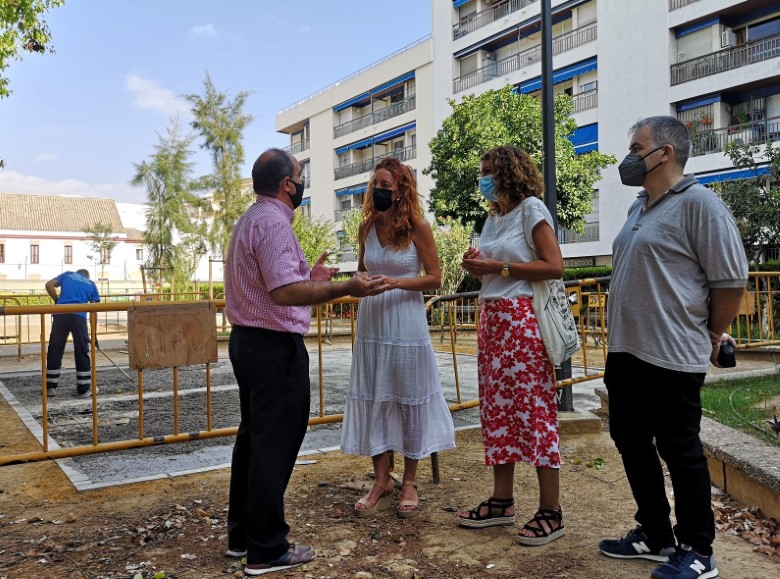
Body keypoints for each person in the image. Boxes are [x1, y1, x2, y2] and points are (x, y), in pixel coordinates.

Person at [598, 116, 748, 579]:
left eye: (636, 146)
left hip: (672, 352)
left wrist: (712, 333)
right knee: (629, 438)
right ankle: (656, 534)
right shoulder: (639, 207)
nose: (629, 155)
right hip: (627, 350)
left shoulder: (699, 203)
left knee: (679, 448)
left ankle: (699, 549)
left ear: (664, 152)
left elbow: (730, 279)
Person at [224, 148, 383, 576]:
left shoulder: (251, 220)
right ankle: (266, 549)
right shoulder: (273, 224)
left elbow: (277, 284)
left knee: (255, 441)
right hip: (273, 346)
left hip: (250, 343)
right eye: (299, 174)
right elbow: (282, 294)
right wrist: (346, 288)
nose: (302, 180)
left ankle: (242, 537)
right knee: (272, 446)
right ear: (286, 185)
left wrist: (311, 280)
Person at [458, 146, 565, 546]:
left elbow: (554, 265)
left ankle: (551, 511)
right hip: (492, 322)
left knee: (534, 410)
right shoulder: (494, 216)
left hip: (521, 322)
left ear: (509, 173)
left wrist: (498, 267)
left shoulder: (531, 209)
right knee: (498, 411)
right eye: (482, 170)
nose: (483, 177)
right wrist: (477, 263)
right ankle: (502, 501)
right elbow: (493, 265)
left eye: (489, 170)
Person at [340, 157, 456, 519]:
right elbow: (362, 272)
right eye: (374, 185)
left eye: (385, 186)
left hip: (406, 322)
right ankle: (380, 480)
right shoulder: (367, 227)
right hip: (373, 322)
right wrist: (357, 283)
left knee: (409, 397)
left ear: (401, 189)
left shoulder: (418, 226)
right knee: (375, 394)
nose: (378, 191)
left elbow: (435, 278)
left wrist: (397, 282)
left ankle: (409, 481)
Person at [44, 269, 100, 398]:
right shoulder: (91, 284)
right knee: (81, 351)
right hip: (78, 317)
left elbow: (49, 285)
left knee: (55, 350)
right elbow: (94, 310)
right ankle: (84, 389)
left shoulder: (67, 275)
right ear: (87, 275)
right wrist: (94, 335)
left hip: (61, 315)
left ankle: (50, 388)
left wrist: (57, 301)